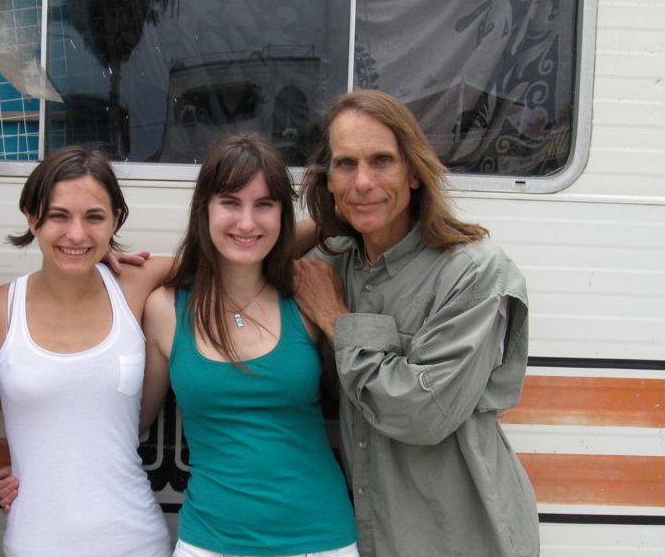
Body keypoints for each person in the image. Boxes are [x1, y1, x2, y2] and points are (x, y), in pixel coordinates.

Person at [294, 89, 539, 557]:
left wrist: (333, 318)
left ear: (413, 172)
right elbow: (236, 254)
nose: (363, 181)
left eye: (381, 160)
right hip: (367, 534)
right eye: (345, 165)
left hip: (458, 538)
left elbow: (421, 413)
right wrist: (323, 222)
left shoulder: (473, 273)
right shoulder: (337, 264)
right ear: (327, 179)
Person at [142, 133, 359, 557]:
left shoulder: (310, 293)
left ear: (282, 214)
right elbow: (128, 425)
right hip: (209, 542)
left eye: (264, 205)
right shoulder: (165, 308)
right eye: (230, 203)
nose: (247, 223)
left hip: (321, 541)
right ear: (203, 208)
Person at [0, 145, 173, 557]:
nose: (76, 234)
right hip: (34, 544)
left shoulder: (135, 284)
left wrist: (330, 220)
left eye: (94, 217)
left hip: (136, 543)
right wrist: (33, 467)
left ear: (116, 219)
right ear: (31, 216)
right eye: (59, 216)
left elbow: (239, 252)